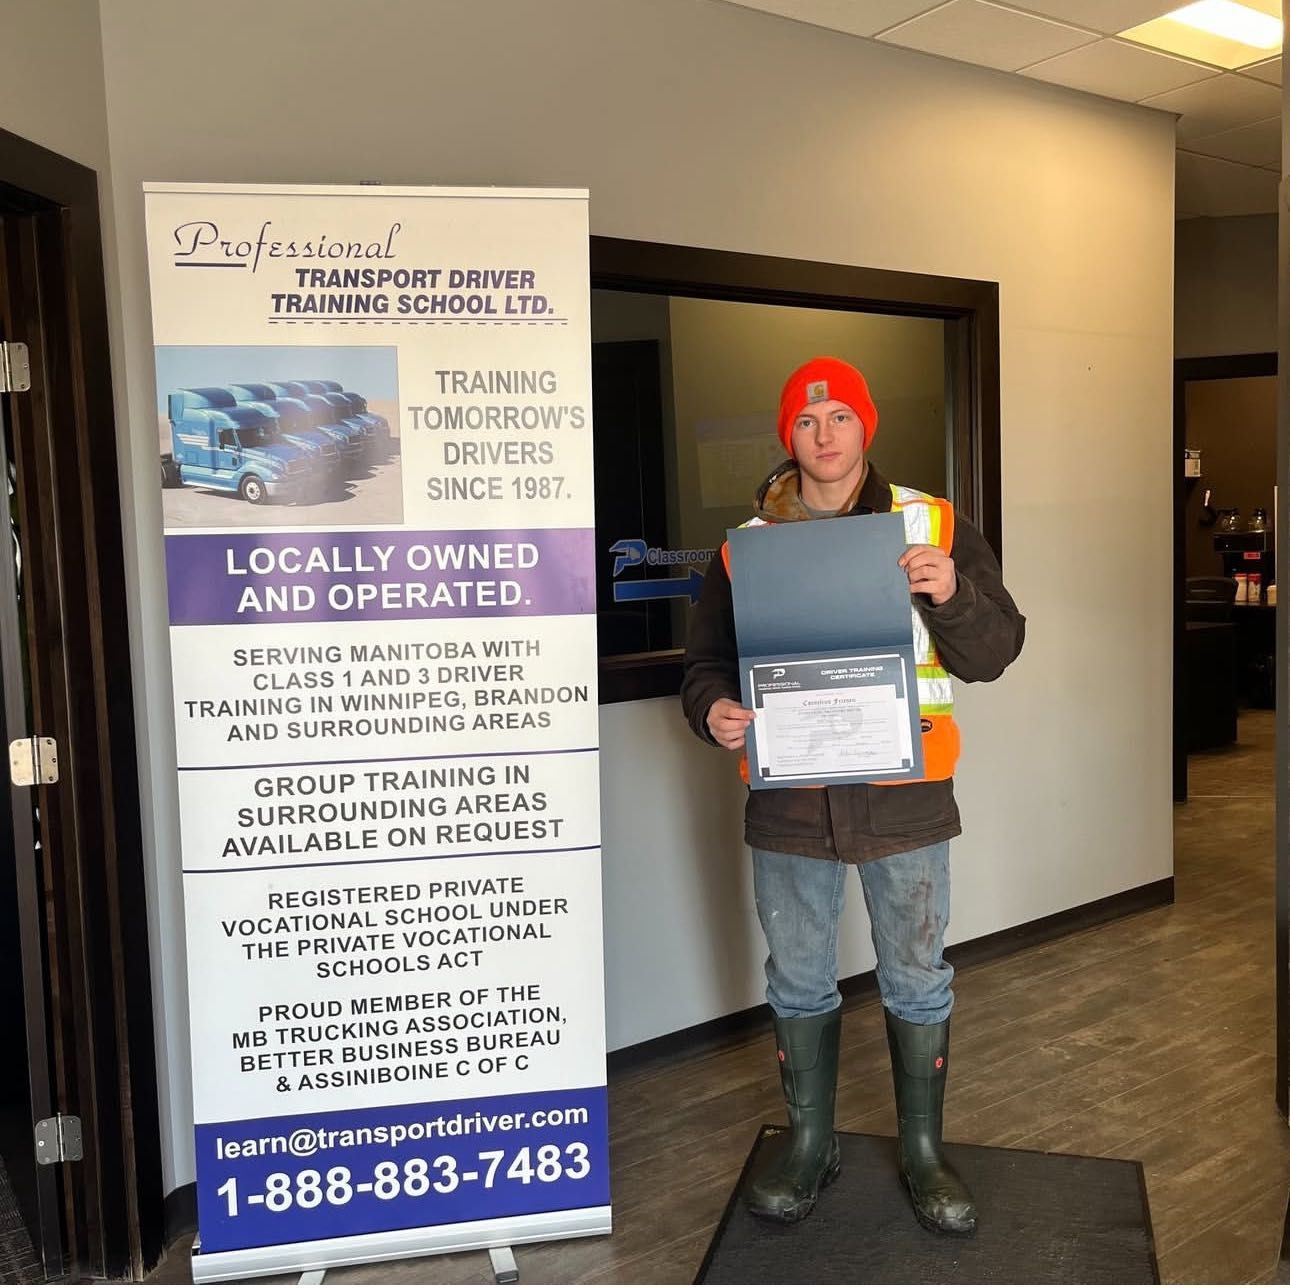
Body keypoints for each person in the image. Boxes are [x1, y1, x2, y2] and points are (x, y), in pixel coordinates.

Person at [681, 356, 1025, 1235]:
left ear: (865, 425)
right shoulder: (746, 545)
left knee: (917, 979)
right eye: (806, 420)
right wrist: (712, 708)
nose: (823, 434)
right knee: (797, 981)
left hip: (905, 801)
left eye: (839, 415)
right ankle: (810, 1145)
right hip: (790, 807)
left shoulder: (932, 523)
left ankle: (923, 1151)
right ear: (786, 436)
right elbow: (706, 663)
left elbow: (994, 653)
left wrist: (952, 593)